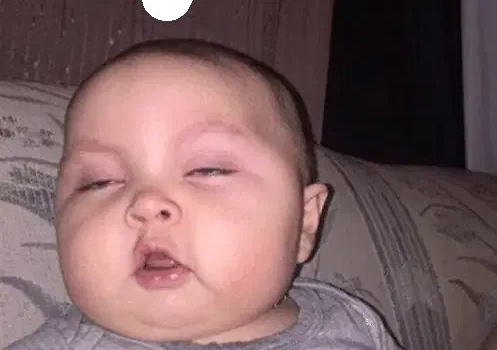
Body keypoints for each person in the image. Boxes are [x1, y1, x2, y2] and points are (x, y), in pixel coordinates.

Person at [7, 39, 404, 349]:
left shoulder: (350, 323)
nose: (147, 204)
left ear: (304, 223)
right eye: (100, 181)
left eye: (207, 169)